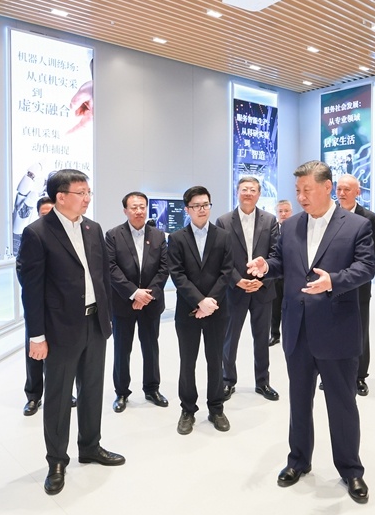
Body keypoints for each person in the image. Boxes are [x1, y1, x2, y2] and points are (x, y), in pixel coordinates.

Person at [246, 161, 375, 505]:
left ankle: (351, 469)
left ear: (327, 187)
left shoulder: (357, 225)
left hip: (336, 329)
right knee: (299, 401)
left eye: (307, 190)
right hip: (297, 329)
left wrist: (335, 281)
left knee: (342, 404)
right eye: (298, 191)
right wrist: (265, 266)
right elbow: (282, 262)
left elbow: (366, 267)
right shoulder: (290, 226)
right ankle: (298, 461)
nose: (301, 197)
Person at [16, 169, 124, 496]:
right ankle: (56, 461)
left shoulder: (93, 228)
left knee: (92, 390)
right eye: (81, 192)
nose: (87, 198)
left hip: (95, 323)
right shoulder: (37, 233)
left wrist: (107, 318)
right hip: (60, 328)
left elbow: (101, 277)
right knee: (60, 397)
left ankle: (90, 446)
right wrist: (37, 336)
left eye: (89, 192)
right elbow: (31, 290)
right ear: (61, 197)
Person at [167, 186, 235, 435]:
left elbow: (226, 272)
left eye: (205, 204)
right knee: (188, 361)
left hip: (217, 310)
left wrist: (210, 302)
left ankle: (216, 408)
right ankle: (187, 409)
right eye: (196, 205)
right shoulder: (177, 238)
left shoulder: (223, 236)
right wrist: (199, 301)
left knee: (215, 360)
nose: (202, 209)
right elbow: (177, 274)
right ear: (187, 209)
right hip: (187, 311)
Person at [216, 176, 280, 402]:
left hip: (263, 288)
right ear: (237, 192)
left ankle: (262, 382)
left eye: (253, 190)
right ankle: (227, 380)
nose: (248, 193)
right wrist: (237, 280)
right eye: (244, 189)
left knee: (262, 339)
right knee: (229, 338)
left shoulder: (270, 220)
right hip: (234, 290)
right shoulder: (224, 221)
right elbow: (220, 257)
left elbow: (276, 254)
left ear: (259, 194)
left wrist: (263, 279)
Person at [106, 191, 170, 413]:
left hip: (150, 303)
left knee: (151, 347)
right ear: (125, 210)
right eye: (134, 207)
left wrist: (145, 296)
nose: (139, 211)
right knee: (122, 349)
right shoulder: (113, 235)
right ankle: (122, 392)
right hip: (123, 303)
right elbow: (111, 268)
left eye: (142, 206)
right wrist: (134, 293)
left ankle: (152, 389)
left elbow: (164, 269)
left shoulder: (159, 235)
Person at [22, 196, 76, 415]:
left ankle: (64, 392)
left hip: (62, 310)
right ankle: (34, 396)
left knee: (63, 356)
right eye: (45, 214)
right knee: (35, 354)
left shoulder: (67, 237)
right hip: (38, 308)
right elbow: (25, 276)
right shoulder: (32, 234)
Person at [335, 174, 375, 396]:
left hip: (359, 285)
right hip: (332, 283)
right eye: (339, 189)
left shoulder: (370, 219)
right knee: (333, 329)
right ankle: (334, 373)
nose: (342, 193)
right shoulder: (328, 215)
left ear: (358, 192)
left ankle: (359, 376)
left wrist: (348, 273)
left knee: (360, 330)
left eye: (347, 189)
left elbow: (372, 253)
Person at [268, 200, 293, 346]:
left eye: (286, 211)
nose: (283, 214)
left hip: (291, 275)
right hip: (276, 275)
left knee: (291, 307)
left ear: (291, 212)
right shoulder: (272, 230)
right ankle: (274, 334)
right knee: (275, 307)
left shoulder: (297, 229)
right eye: (280, 211)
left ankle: (291, 335)